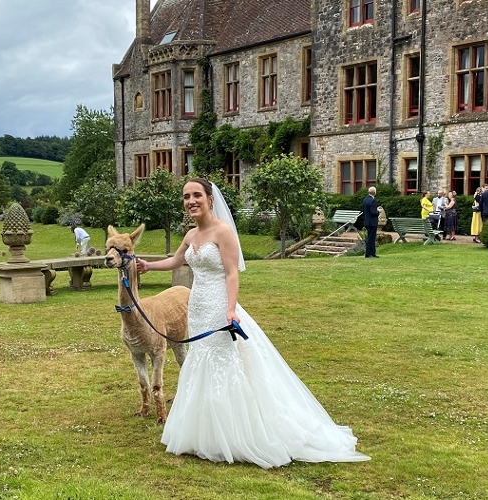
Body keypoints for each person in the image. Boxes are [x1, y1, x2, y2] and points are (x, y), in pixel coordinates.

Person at [136, 178, 369, 468]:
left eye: (197, 195)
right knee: (200, 361)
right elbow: (175, 261)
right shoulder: (191, 234)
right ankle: (202, 433)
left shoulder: (223, 232)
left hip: (220, 306)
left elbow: (232, 273)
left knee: (224, 363)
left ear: (210, 199)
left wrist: (231, 310)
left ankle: (234, 434)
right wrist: (148, 265)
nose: (191, 201)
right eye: (186, 197)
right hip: (197, 307)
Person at [362, 186, 379, 258]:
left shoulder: (365, 199)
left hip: (367, 222)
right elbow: (373, 212)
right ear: (374, 192)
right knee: (371, 238)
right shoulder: (373, 200)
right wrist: (378, 212)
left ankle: (372, 253)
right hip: (372, 222)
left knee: (370, 237)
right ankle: (369, 254)